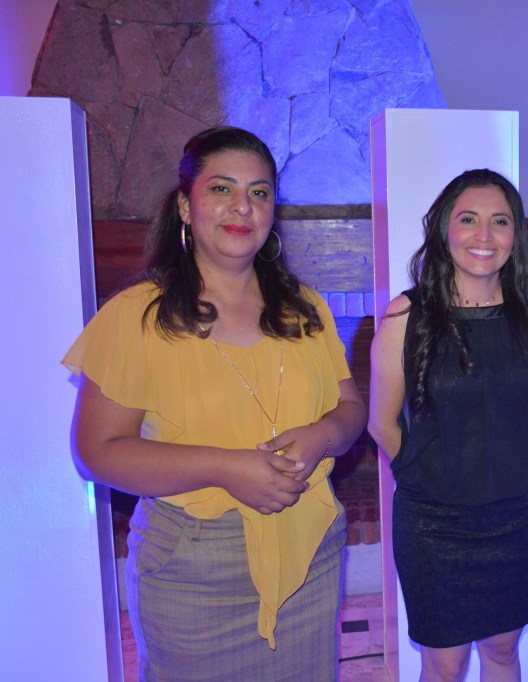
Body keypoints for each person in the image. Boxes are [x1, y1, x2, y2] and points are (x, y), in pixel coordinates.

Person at [65, 126, 367, 680]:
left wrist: (321, 435)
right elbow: (96, 451)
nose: (242, 206)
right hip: (193, 568)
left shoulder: (305, 307)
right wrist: (226, 468)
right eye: (222, 188)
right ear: (186, 205)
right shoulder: (137, 316)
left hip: (310, 554)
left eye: (259, 192)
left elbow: (351, 411)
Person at [368, 169, 528, 682]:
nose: (484, 235)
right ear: (444, 229)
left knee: (503, 648)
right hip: (435, 522)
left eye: (500, 221)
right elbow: (381, 423)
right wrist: (430, 477)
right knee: (445, 662)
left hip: (516, 516)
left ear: (515, 234)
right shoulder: (405, 316)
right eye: (469, 219)